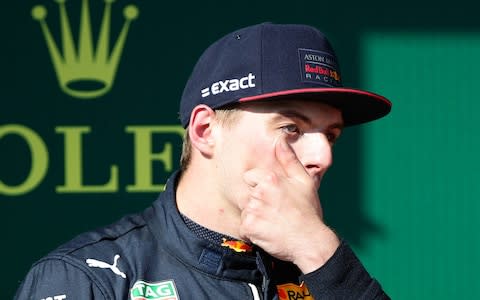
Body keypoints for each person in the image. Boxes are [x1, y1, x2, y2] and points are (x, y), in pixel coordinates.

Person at [15, 22, 392, 299]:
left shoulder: (323, 268)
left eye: (330, 135)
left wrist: (320, 254)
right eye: (291, 127)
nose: (322, 156)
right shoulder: (89, 279)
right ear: (205, 130)